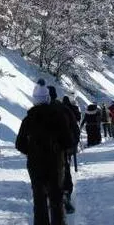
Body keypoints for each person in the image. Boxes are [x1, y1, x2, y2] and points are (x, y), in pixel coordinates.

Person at [16, 85, 76, 225]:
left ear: (35, 100)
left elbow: (19, 144)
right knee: (55, 198)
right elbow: (68, 141)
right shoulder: (58, 117)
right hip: (55, 164)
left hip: (35, 165)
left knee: (39, 199)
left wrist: (32, 151)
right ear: (48, 98)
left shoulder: (28, 119)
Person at [49, 86, 78, 214]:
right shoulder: (65, 109)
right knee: (64, 169)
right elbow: (75, 129)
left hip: (46, 150)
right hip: (64, 148)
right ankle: (65, 194)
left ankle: (51, 196)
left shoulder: (38, 110)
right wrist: (72, 144)